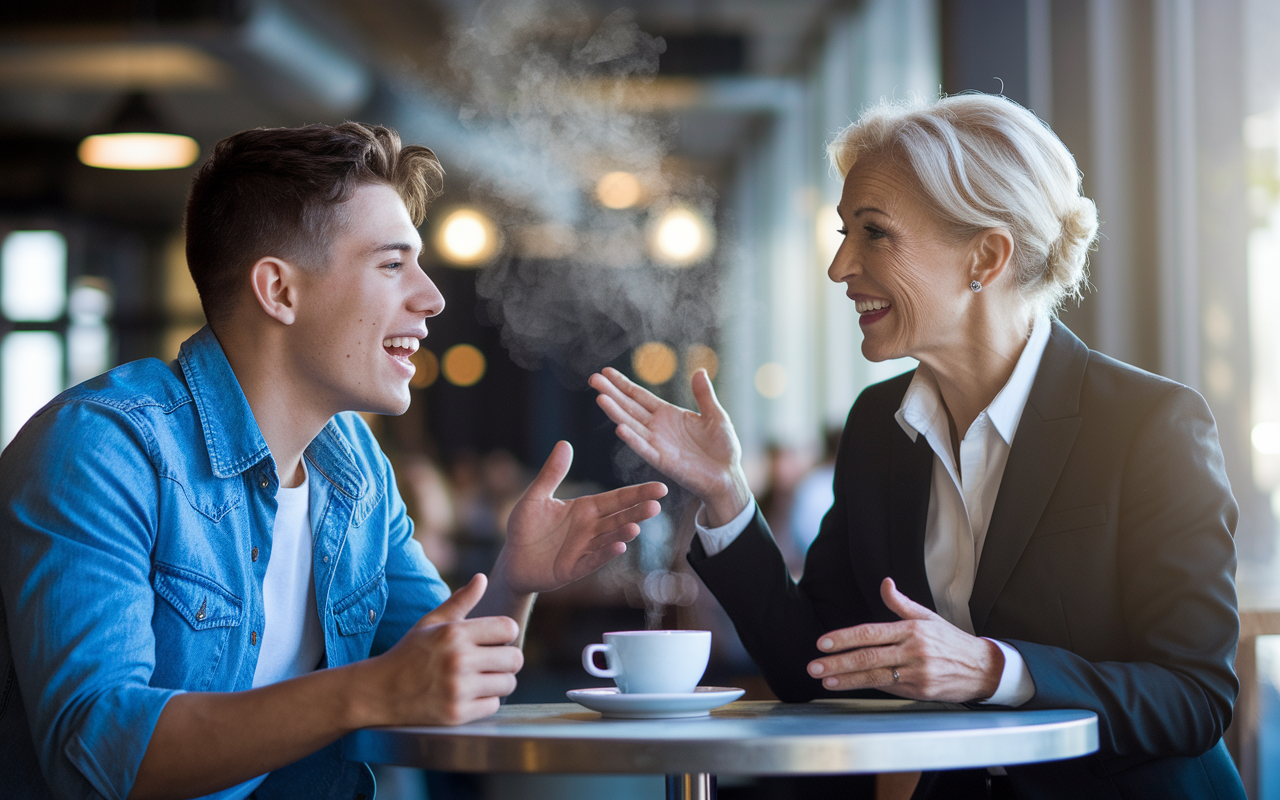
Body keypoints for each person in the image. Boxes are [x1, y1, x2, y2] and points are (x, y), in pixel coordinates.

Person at [590, 93, 1244, 799]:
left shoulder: (1150, 423)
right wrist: (727, 493)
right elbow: (817, 666)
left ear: (985, 256)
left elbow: (1195, 695)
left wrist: (995, 670)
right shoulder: (879, 427)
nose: (840, 266)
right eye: (843, 233)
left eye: (874, 234)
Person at [0, 122, 667, 800]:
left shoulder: (355, 468)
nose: (432, 297)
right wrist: (362, 693)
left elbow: (437, 674)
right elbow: (95, 754)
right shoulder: (101, 449)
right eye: (390, 264)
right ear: (279, 291)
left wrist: (514, 579)